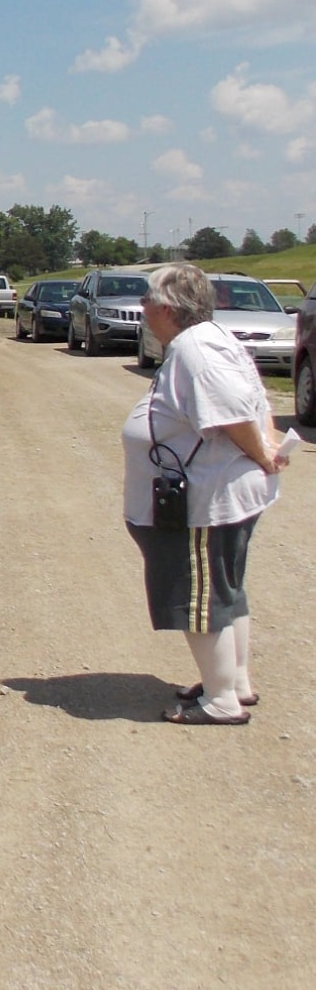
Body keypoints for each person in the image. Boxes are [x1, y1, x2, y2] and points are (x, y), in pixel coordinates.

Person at [122, 263, 290, 724]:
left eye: (147, 301)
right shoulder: (211, 340)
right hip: (218, 493)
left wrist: (263, 454)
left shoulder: (198, 351)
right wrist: (267, 447)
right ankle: (232, 682)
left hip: (206, 499)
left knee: (198, 597)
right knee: (224, 591)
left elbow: (236, 413)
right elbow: (260, 402)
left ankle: (221, 702)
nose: (143, 309)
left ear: (167, 308)